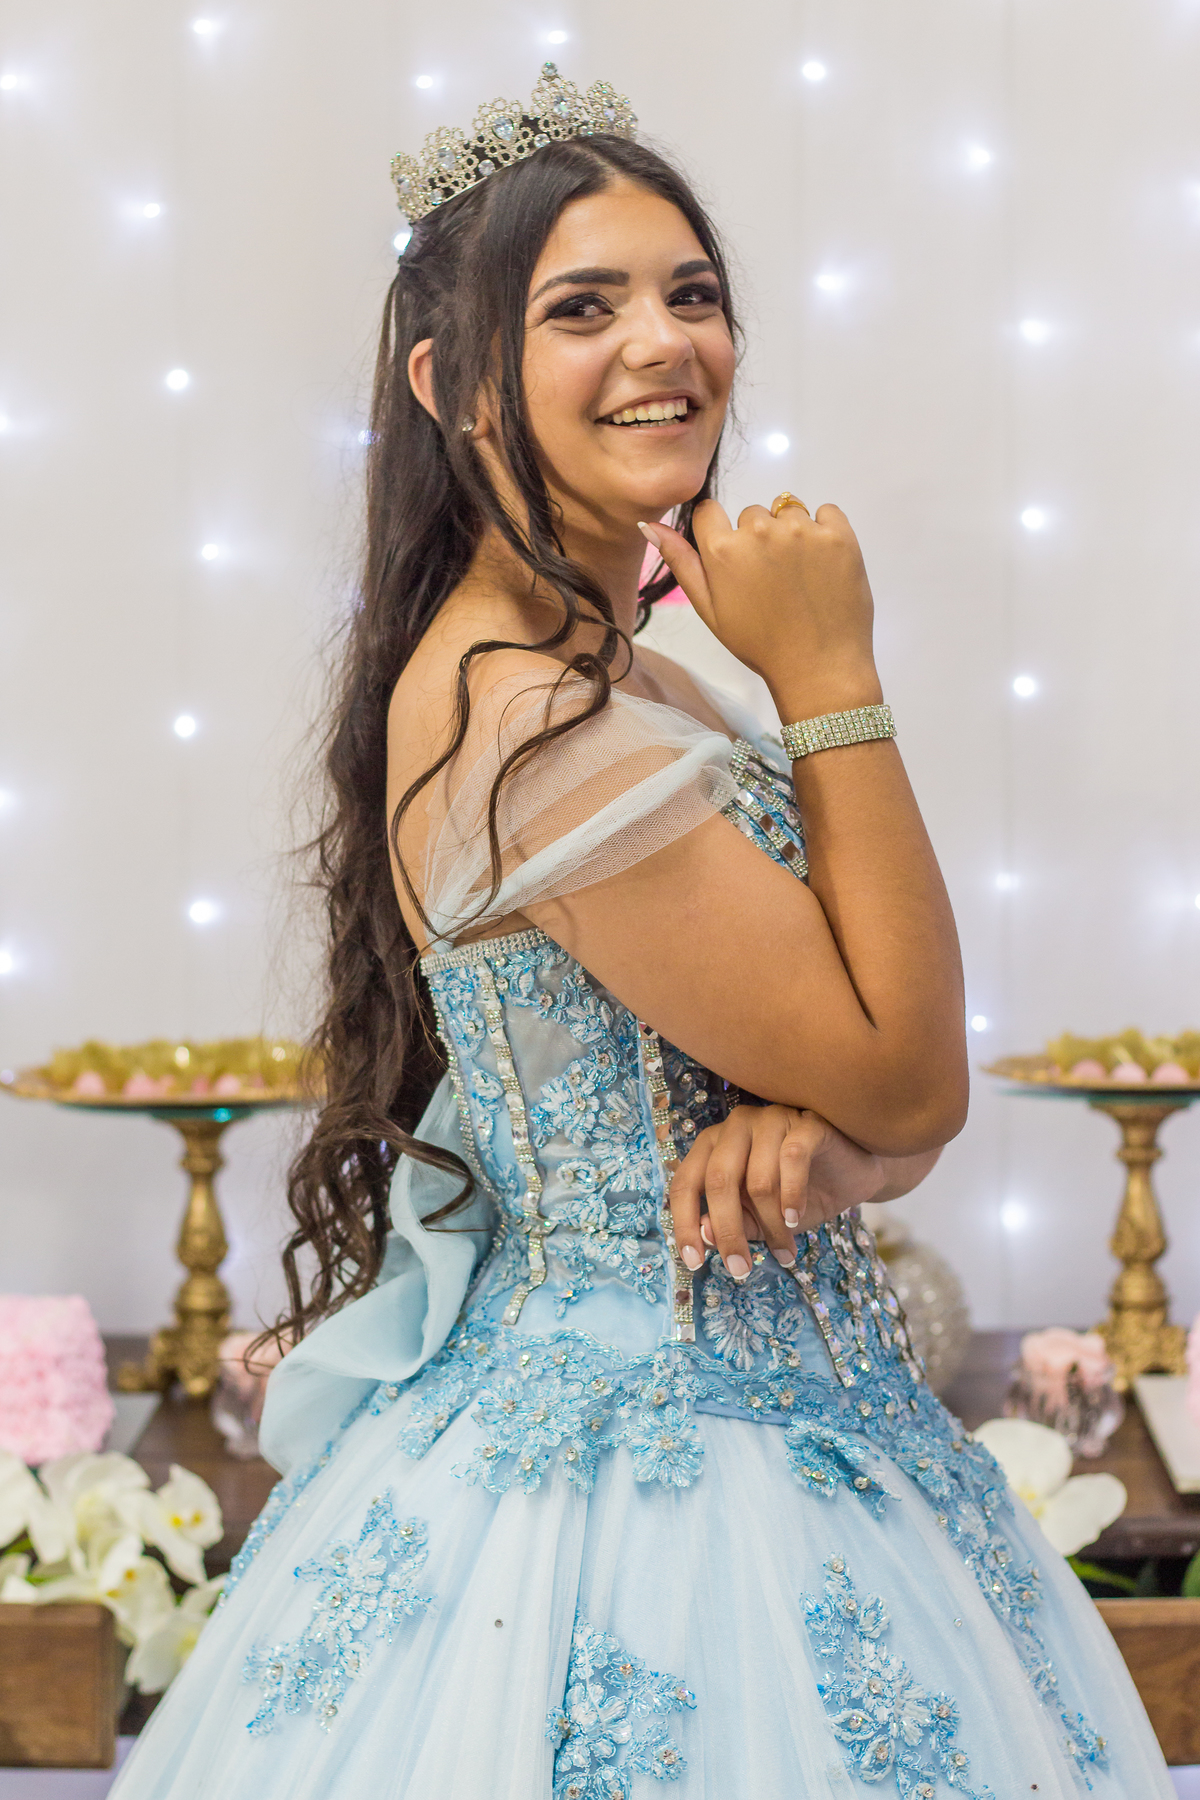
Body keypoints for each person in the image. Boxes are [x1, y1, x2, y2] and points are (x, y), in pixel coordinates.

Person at [111, 63, 1173, 1800]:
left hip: (802, 1434)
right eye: (582, 308)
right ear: (453, 383)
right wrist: (832, 670)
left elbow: (893, 1088)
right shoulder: (528, 722)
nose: (663, 343)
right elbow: (919, 1067)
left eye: (693, 293)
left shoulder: (637, 686)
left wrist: (837, 1150)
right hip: (644, 1488)